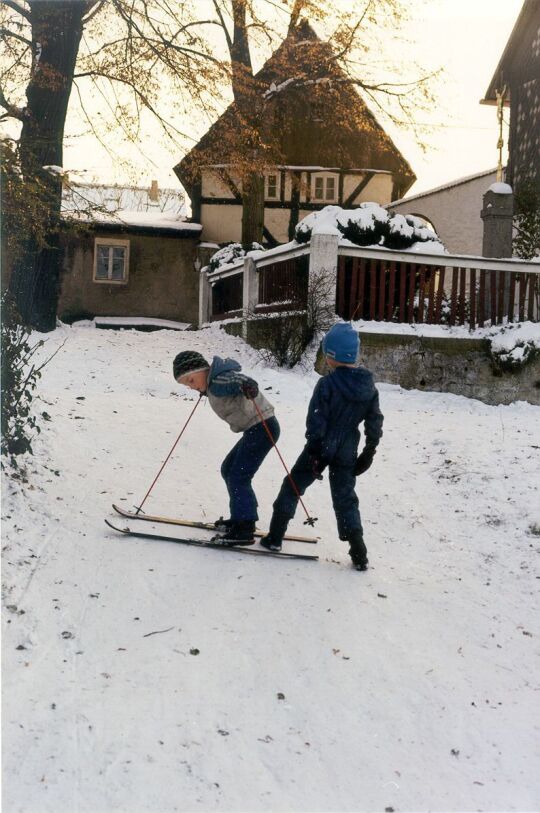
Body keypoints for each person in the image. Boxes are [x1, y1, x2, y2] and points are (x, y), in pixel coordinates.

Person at [261, 322, 383, 570]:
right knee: (345, 498)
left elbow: (316, 419)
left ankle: (275, 536)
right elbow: (374, 420)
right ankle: (359, 551)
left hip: (322, 445)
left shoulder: (326, 385)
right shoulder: (368, 387)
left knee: (293, 485)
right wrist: (369, 451)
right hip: (348, 449)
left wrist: (315, 451)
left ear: (332, 356)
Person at [173, 350, 279, 545]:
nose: (191, 386)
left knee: (238, 475)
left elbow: (237, 379)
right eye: (187, 384)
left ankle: (245, 527)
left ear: (202, 370)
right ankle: (242, 517)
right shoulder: (213, 384)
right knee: (229, 469)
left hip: (262, 428)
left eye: (191, 380)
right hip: (255, 429)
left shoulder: (219, 380)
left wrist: (247, 384)